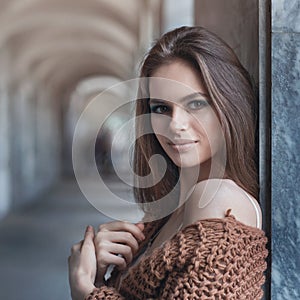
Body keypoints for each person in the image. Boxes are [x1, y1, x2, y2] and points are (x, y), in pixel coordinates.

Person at [68, 26, 268, 299]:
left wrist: (85, 289)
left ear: (229, 104)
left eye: (196, 104)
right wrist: (103, 275)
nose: (175, 125)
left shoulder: (218, 200)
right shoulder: (171, 211)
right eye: (161, 108)